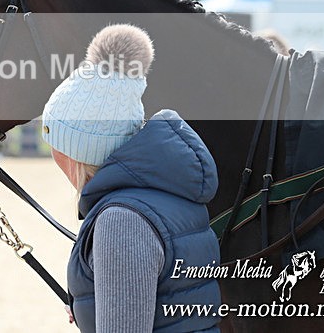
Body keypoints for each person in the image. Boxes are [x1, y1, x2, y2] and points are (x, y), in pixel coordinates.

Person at [41, 24, 222, 332]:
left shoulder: (122, 221)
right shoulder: (168, 197)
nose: (54, 155)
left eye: (55, 142)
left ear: (77, 153)